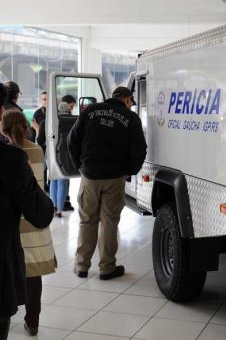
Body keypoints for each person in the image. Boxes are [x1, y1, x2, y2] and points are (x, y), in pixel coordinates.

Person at [67, 86, 147, 280]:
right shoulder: (131, 118)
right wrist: (130, 171)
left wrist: (80, 166)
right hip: (114, 177)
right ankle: (107, 267)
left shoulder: (91, 111)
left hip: (90, 176)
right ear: (127, 100)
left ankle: (82, 266)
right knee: (110, 222)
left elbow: (72, 140)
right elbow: (140, 149)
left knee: (87, 220)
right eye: (131, 102)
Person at [0, 83, 54, 340]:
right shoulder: (14, 158)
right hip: (25, 230)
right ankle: (32, 320)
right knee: (32, 275)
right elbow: (41, 212)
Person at [49, 101, 72, 218]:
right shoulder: (72, 122)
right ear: (69, 110)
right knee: (63, 182)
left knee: (54, 180)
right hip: (65, 156)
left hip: (51, 154)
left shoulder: (49, 121)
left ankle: (53, 207)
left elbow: (41, 138)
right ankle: (59, 211)